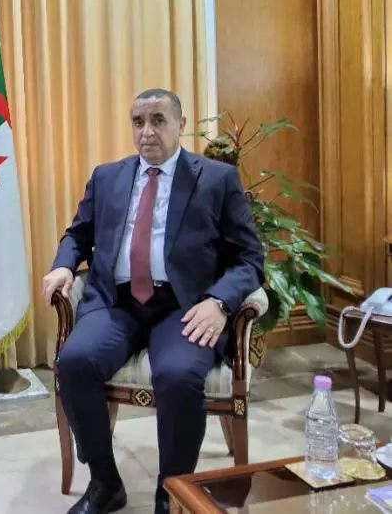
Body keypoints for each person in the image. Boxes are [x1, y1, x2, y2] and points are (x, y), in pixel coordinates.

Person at [43, 89, 264, 514]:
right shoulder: (107, 177)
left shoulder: (216, 179)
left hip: (184, 306)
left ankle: (172, 493)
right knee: (74, 362)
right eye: (138, 121)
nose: (147, 131)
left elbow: (249, 259)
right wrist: (64, 265)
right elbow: (78, 234)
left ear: (181, 125)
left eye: (158, 120)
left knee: (178, 375)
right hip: (116, 302)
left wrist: (219, 302)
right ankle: (105, 483)